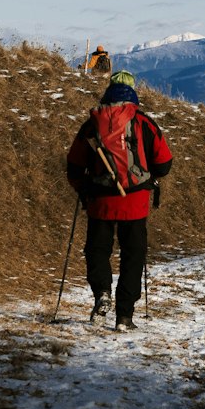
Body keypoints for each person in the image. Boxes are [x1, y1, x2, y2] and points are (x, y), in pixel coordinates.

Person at [66, 72, 172, 330]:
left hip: (100, 201)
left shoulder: (92, 125)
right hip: (134, 202)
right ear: (133, 94)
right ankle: (125, 316)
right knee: (133, 256)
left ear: (108, 92)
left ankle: (102, 293)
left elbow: (74, 165)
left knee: (97, 250)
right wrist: (147, 180)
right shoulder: (143, 122)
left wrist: (84, 189)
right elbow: (164, 163)